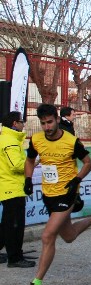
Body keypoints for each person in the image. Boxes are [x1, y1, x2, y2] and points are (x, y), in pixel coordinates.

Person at [17, 104, 91, 285]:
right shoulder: (36, 139)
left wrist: (77, 180)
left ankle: (36, 284)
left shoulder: (71, 141)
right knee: (68, 236)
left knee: (47, 235)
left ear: (57, 120)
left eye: (50, 122)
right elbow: (29, 160)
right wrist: (28, 179)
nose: (47, 127)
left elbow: (88, 163)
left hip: (67, 193)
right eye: (43, 123)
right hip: (48, 193)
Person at [0, 112, 35, 268]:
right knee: (15, 224)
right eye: (22, 122)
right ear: (15, 123)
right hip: (12, 187)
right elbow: (15, 165)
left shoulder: (9, 139)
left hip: (10, 186)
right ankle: (14, 258)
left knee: (7, 222)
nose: (23, 125)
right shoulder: (10, 141)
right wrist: (33, 163)